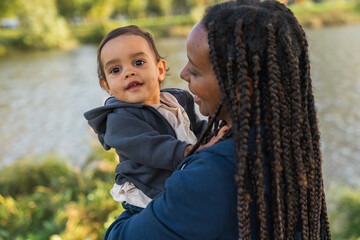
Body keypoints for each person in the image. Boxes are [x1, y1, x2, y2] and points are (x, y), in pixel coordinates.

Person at [104, 0, 332, 239]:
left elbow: (118, 236)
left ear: (241, 85)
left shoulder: (208, 175)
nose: (182, 74)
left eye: (194, 69)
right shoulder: (288, 145)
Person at [84, 25, 207, 212]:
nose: (128, 72)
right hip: (146, 197)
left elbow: (195, 128)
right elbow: (152, 147)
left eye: (138, 63)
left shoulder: (176, 100)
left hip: (180, 180)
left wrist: (215, 135)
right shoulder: (118, 120)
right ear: (106, 85)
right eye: (116, 70)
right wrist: (190, 151)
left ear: (160, 70)